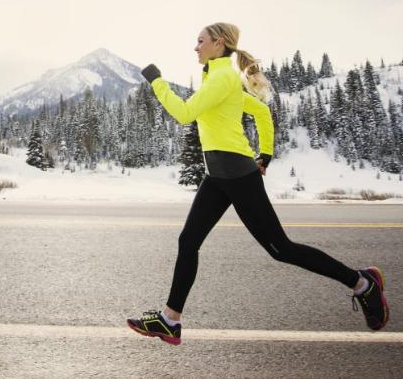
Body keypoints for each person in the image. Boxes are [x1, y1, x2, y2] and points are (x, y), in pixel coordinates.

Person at [126, 22, 389, 346]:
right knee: (188, 241)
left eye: (200, 41)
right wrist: (265, 152)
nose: (195, 47)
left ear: (218, 43)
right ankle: (170, 320)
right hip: (218, 177)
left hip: (238, 177)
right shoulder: (217, 77)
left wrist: (157, 81)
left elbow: (183, 113)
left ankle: (362, 283)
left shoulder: (222, 77)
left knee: (281, 249)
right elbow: (261, 111)